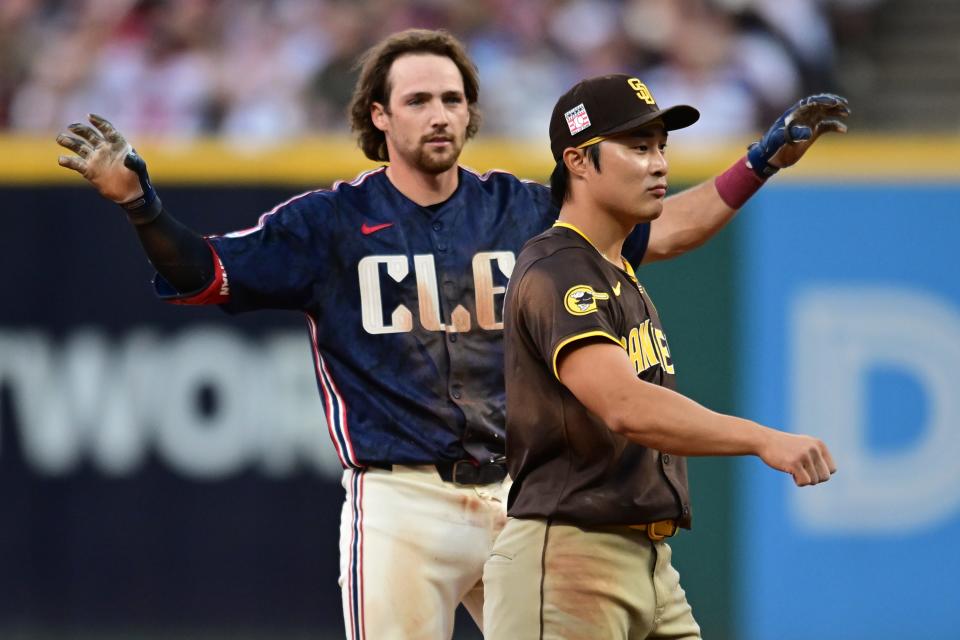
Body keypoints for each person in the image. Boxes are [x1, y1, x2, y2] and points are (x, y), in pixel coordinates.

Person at [54, 28, 848, 640]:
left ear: (471, 111)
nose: (439, 113)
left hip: (525, 492)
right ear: (378, 114)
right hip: (403, 498)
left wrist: (761, 160)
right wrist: (141, 207)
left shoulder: (521, 207)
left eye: (453, 98)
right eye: (418, 99)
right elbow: (204, 275)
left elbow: (665, 230)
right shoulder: (330, 222)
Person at [483, 74, 841, 640]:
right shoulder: (560, 270)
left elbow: (677, 228)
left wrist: (761, 163)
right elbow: (626, 406)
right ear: (578, 160)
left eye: (661, 147)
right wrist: (763, 438)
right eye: (637, 146)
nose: (658, 164)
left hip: (649, 563)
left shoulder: (613, 266)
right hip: (570, 558)